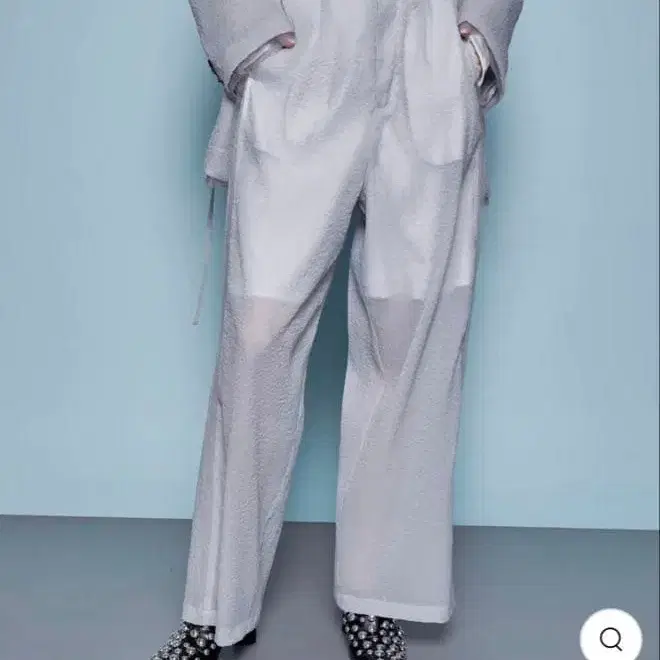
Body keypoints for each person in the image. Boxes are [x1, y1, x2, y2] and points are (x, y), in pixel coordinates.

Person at [152, 0, 523, 657]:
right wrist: (252, 39)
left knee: (411, 344)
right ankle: (217, 603)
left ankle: (376, 597)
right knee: (260, 334)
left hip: (430, 54)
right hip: (310, 52)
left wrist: (475, 44)